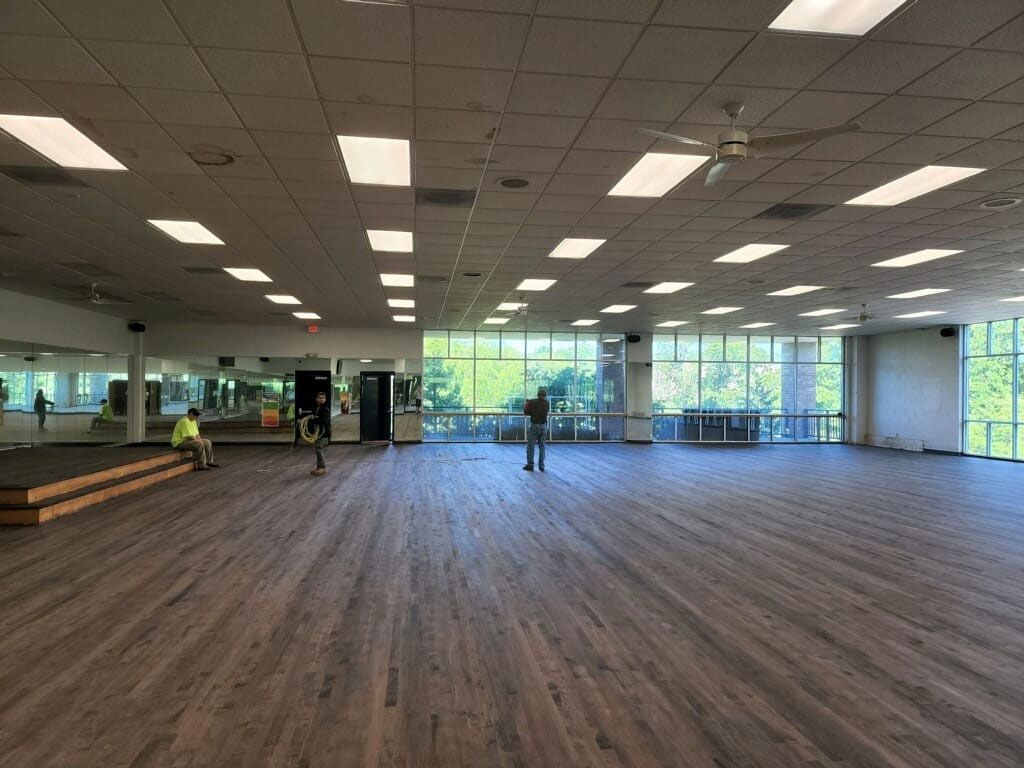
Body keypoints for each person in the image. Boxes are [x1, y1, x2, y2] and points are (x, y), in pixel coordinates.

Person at [523, 387, 550, 472]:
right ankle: (541, 466)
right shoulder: (547, 403)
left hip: (534, 425)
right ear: (545, 396)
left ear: (538, 395)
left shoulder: (532, 402)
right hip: (544, 426)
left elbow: (526, 412)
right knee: (542, 446)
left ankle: (530, 465)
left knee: (531, 446)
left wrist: (527, 403)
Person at [310, 391, 331, 477]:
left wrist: (313, 419)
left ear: (325, 399)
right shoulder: (317, 408)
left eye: (323, 398)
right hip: (317, 431)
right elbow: (314, 418)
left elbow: (324, 421)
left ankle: (322, 467)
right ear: (316, 399)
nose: (321, 399)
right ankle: (319, 467)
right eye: (320, 398)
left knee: (318, 449)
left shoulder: (325, 409)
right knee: (317, 449)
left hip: (322, 432)